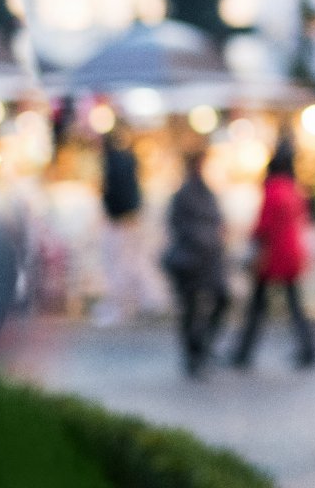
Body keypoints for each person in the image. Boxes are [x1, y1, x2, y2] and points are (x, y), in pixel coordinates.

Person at [229, 132, 315, 370]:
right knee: (293, 305)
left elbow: (264, 225)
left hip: (272, 255)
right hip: (291, 253)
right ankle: (308, 347)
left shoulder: (272, 189)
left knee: (257, 307)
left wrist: (251, 242)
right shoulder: (292, 188)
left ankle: (243, 352)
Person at [160, 145, 230, 379]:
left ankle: (201, 348)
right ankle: (194, 355)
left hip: (208, 259)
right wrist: (206, 237)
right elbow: (179, 226)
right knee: (191, 309)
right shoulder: (185, 193)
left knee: (217, 300)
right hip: (192, 259)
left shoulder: (204, 191)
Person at [95, 120, 150, 326]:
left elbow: (112, 191)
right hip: (129, 217)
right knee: (129, 262)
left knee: (118, 264)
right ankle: (135, 303)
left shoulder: (112, 160)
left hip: (119, 220)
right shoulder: (128, 158)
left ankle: (123, 305)